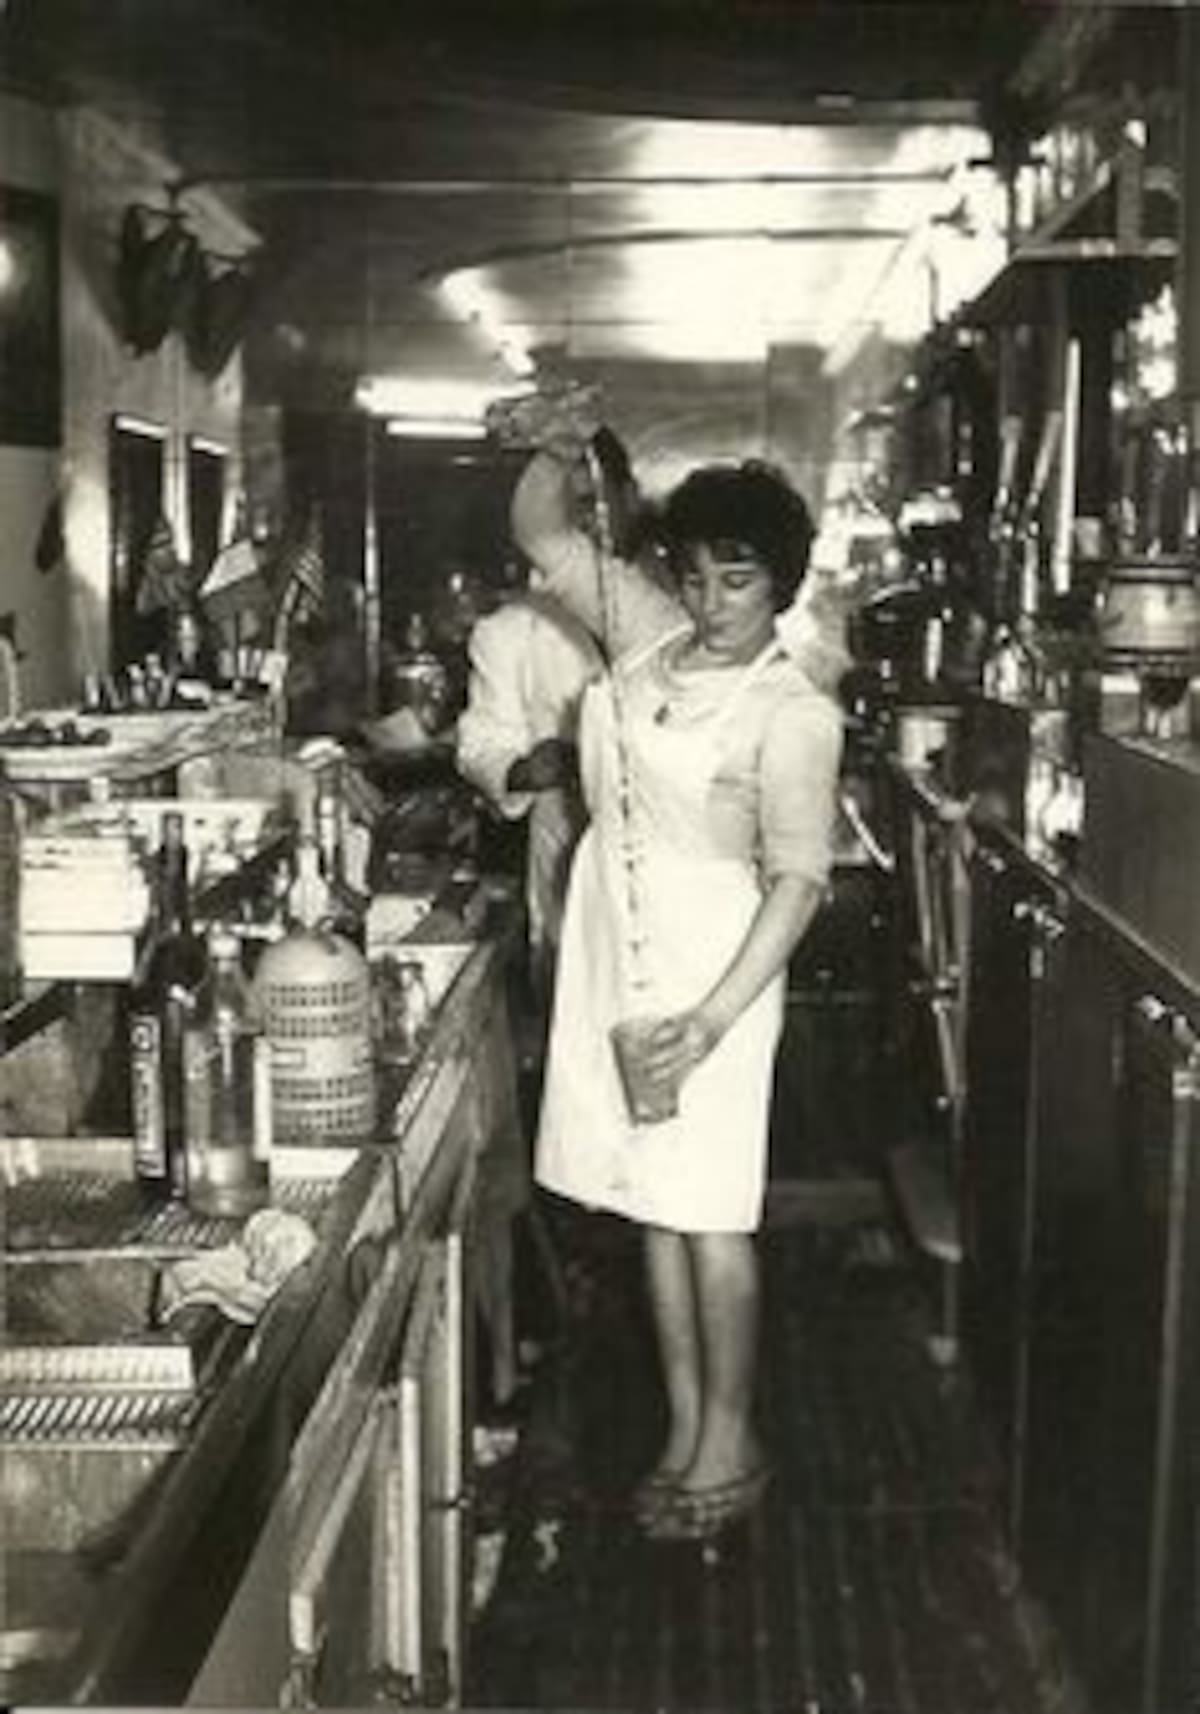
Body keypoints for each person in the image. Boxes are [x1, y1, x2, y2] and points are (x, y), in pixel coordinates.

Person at [510, 429, 845, 1541]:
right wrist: (557, 444)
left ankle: (733, 1437)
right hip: (619, 952)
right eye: (694, 576)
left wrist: (710, 1022)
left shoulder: (792, 712)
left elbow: (798, 885)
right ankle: (687, 1426)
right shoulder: (652, 640)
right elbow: (542, 530)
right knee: (654, 1208)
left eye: (736, 581)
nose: (710, 603)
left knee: (711, 1216)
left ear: (781, 583)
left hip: (720, 967)